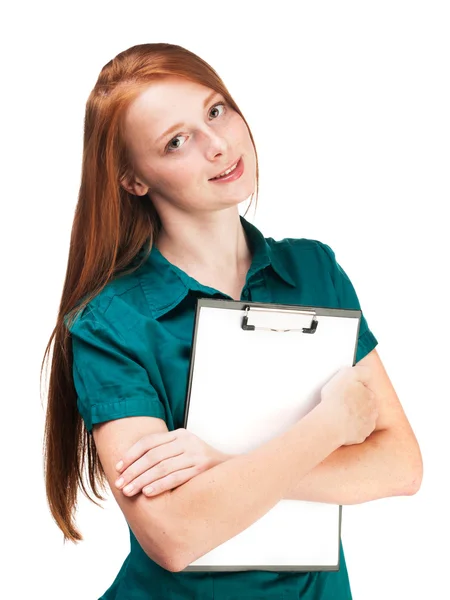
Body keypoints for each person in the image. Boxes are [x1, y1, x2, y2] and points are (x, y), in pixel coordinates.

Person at [42, 42, 422, 599]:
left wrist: (223, 465)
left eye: (215, 110)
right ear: (133, 180)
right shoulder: (109, 322)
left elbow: (402, 466)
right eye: (176, 142)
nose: (217, 146)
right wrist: (333, 427)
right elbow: (173, 534)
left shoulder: (314, 270)